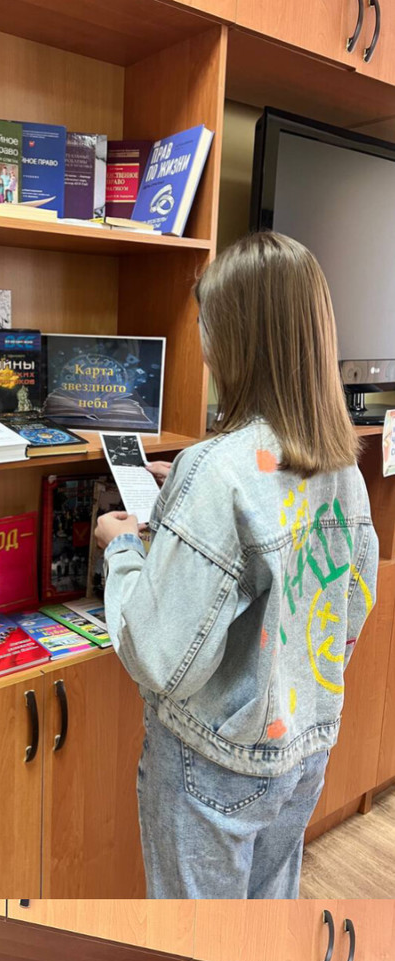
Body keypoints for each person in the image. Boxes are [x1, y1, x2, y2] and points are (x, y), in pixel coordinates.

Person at [95, 232, 378, 897]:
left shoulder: (216, 471)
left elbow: (158, 657)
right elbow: (348, 609)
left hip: (212, 765)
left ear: (236, 340)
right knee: (263, 913)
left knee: (193, 934)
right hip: (304, 749)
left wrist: (123, 547)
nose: (203, 344)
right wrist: (185, 495)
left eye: (206, 326)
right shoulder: (342, 465)